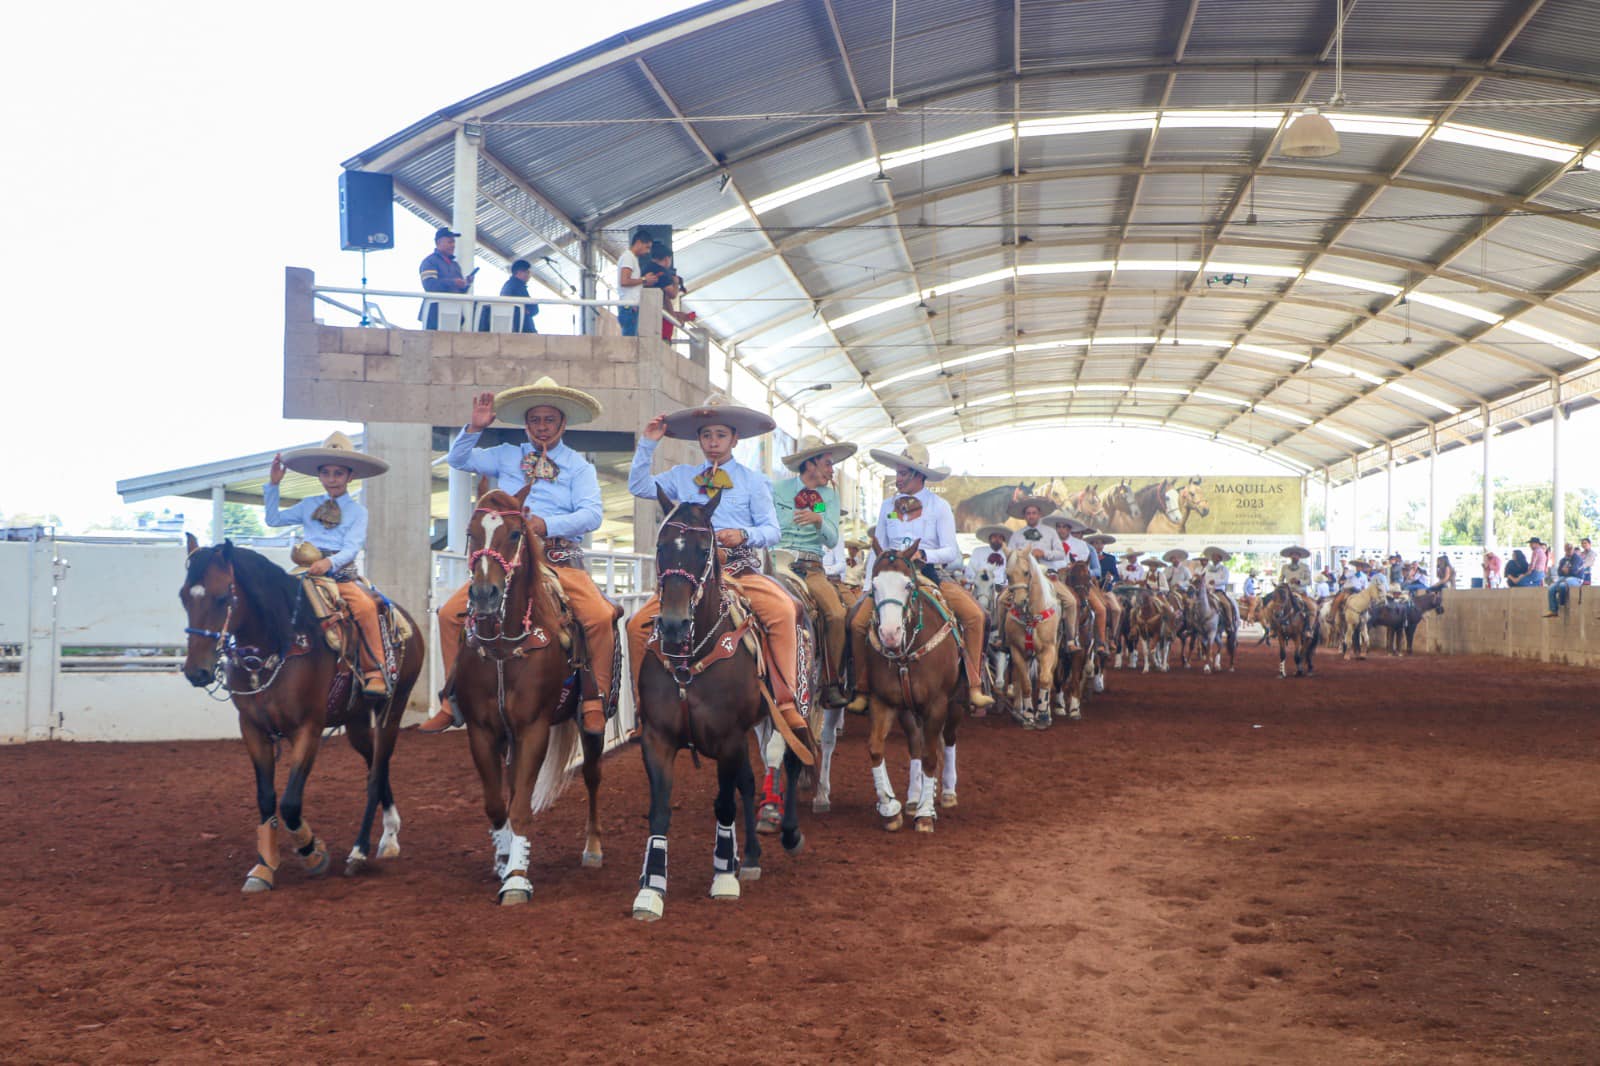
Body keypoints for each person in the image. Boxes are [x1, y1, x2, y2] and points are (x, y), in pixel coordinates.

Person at [421, 378, 617, 736]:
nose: (542, 426)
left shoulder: (579, 466)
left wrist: (547, 523)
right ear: (526, 424)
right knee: (450, 614)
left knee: (600, 617)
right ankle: (452, 700)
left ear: (562, 424)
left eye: (549, 420)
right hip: (507, 559)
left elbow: (592, 514)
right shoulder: (506, 453)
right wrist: (474, 428)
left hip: (558, 559)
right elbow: (458, 459)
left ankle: (594, 699)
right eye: (535, 420)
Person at [626, 395, 808, 733]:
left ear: (735, 439)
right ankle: (643, 708)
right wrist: (647, 445)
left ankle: (785, 700)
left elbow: (772, 531)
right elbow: (638, 486)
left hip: (739, 571)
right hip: (690, 575)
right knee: (637, 625)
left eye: (721, 435)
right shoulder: (681, 476)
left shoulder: (754, 481)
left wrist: (742, 534)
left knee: (783, 610)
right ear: (699, 438)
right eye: (707, 435)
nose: (713, 442)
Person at [848, 444, 994, 710]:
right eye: (897, 473)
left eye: (903, 473)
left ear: (919, 475)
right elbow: (876, 549)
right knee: (857, 623)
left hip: (927, 574)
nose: (898, 478)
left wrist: (924, 555)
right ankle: (862, 687)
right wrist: (868, 586)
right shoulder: (886, 507)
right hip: (889, 576)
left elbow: (952, 551)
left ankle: (973, 684)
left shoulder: (939, 506)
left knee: (975, 616)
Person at [263, 433, 389, 701]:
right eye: (327, 473)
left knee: (366, 607)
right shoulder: (309, 504)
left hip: (340, 575)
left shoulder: (359, 513)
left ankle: (375, 671)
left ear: (349, 477)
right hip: (305, 573)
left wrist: (329, 562)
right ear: (319, 476)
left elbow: (352, 548)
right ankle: (268, 660)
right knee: (273, 602)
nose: (332, 478)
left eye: (339, 473)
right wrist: (273, 485)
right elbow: (273, 520)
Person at [774, 435, 857, 707]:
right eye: (828, 464)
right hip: (777, 562)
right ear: (810, 464)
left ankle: (831, 683)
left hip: (811, 568)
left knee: (836, 614)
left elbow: (832, 539)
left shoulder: (828, 496)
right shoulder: (778, 490)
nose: (832, 470)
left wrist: (819, 519)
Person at [418, 226, 475, 329]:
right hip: (434, 315)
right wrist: (453, 282)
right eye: (450, 242)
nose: (453, 245)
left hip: (454, 315)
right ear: (439, 242)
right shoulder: (429, 261)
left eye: (453, 242)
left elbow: (460, 293)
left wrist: (466, 284)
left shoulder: (455, 265)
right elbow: (430, 286)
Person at [615, 229, 660, 338]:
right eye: (647, 247)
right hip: (628, 306)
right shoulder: (628, 257)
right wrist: (644, 279)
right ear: (639, 243)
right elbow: (624, 281)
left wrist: (645, 281)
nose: (648, 251)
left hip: (631, 306)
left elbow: (629, 282)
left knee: (632, 339)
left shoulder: (632, 258)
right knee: (629, 341)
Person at [480, 258, 539, 333]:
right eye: (527, 272)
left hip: (513, 327)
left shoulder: (511, 285)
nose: (529, 275)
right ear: (519, 272)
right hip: (519, 328)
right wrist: (528, 310)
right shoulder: (517, 286)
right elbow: (531, 308)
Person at [1007, 495, 1067, 567]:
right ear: (1024, 516)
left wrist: (1044, 553)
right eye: (1028, 513)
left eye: (1034, 513)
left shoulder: (1051, 532)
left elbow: (1061, 554)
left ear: (1039, 514)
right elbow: (1009, 555)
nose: (1031, 516)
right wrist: (1020, 554)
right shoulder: (1016, 535)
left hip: (1047, 572)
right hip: (1025, 574)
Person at [1545, 536, 1595, 617]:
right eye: (1567, 549)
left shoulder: (1577, 558)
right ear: (1565, 550)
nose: (1568, 551)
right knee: (1551, 588)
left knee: (1563, 585)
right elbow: (1559, 572)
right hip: (1564, 577)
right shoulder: (1563, 560)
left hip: (1576, 578)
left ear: (1572, 549)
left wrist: (1567, 570)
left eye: (1570, 549)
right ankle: (1552, 610)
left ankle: (1561, 603)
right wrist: (1565, 571)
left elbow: (1575, 571)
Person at [1200, 546, 1238, 626]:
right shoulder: (1206, 568)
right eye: (1213, 556)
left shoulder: (1224, 569)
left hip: (1218, 591)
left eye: (1216, 556)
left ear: (1220, 559)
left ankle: (1230, 623)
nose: (1213, 558)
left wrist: (1215, 582)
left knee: (1227, 605)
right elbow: (1201, 577)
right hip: (1206, 591)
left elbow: (1225, 580)